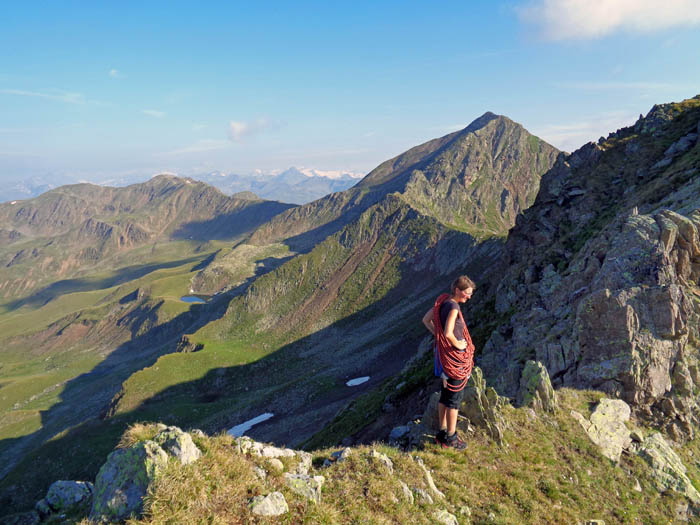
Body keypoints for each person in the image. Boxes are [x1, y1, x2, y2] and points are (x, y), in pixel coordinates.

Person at [422, 275, 476, 449]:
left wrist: (437, 337)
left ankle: (442, 431)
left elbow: (426, 319)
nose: (469, 296)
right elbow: (448, 333)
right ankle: (451, 439)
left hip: (444, 357)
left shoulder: (443, 302)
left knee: (445, 396)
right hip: (454, 359)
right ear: (458, 291)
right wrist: (458, 344)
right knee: (454, 399)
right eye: (467, 293)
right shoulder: (453, 307)